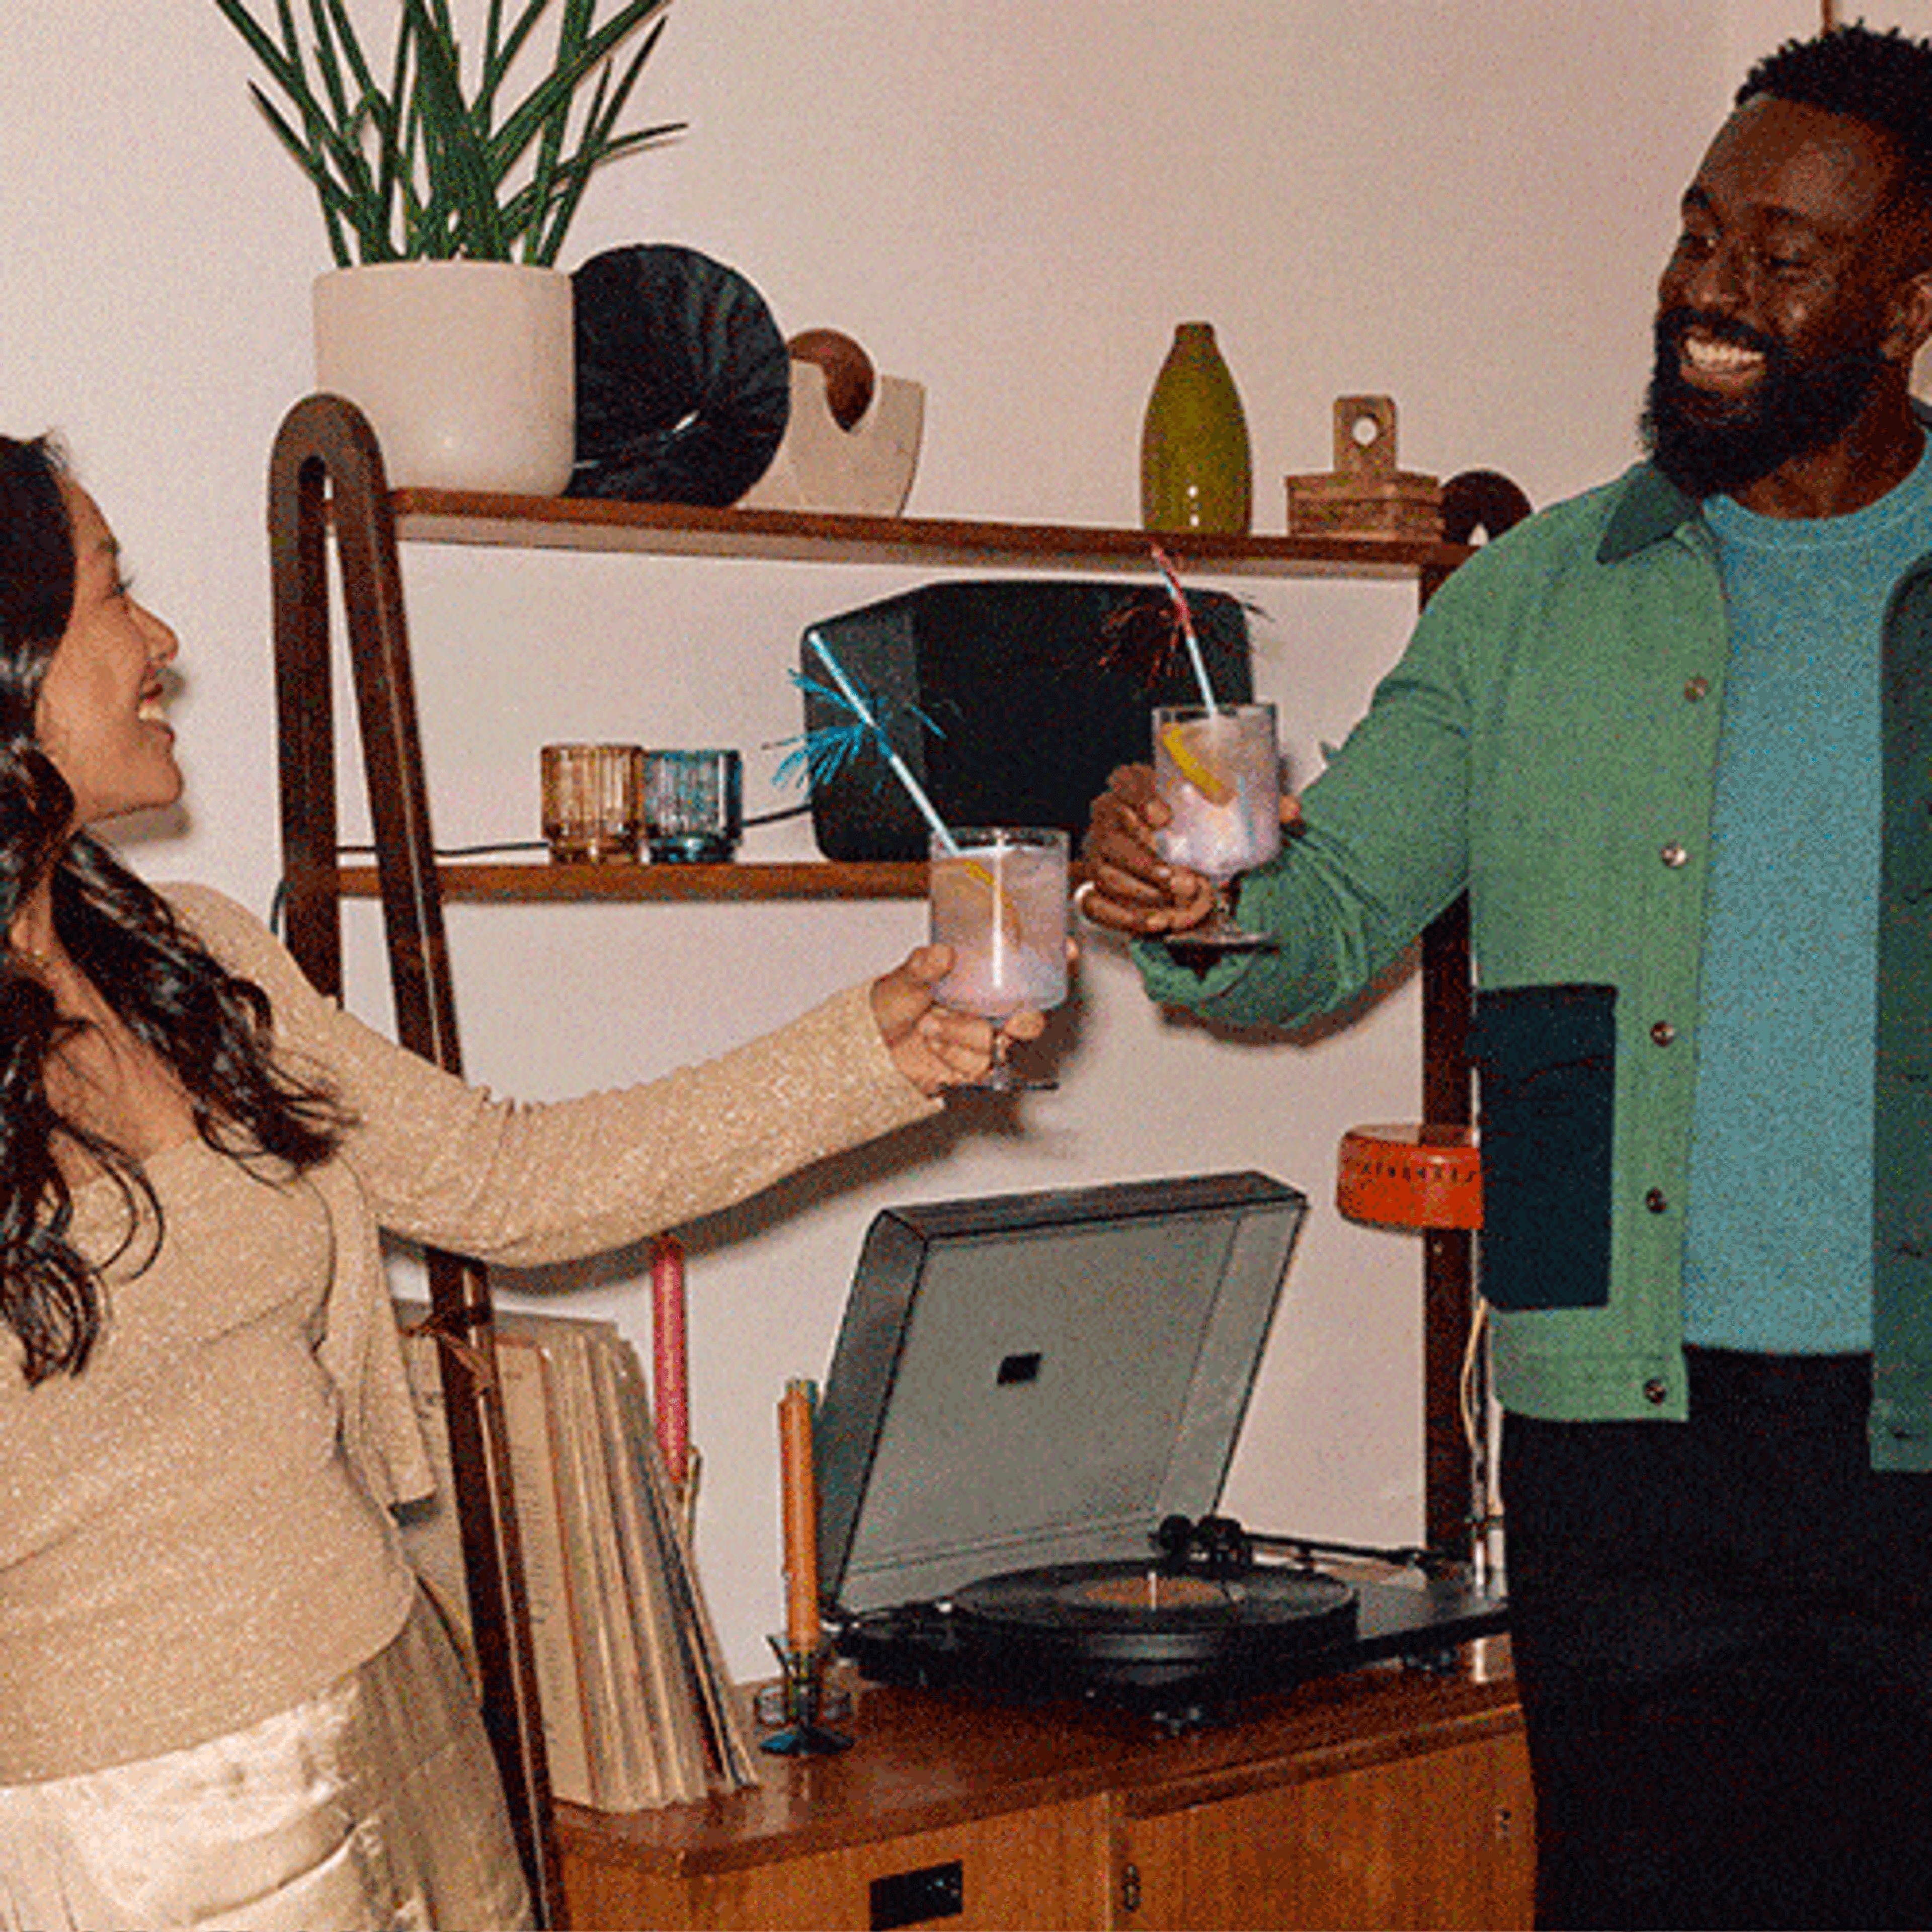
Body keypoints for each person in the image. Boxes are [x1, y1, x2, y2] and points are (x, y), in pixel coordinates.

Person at [1082, 22, 1932, 1931]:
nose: (1711, 290)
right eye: (1698, 232)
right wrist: (1189, 902)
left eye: (1783, 256)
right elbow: (1324, 908)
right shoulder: (1530, 600)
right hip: (1621, 1453)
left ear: (1911, 303)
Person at [0, 431, 1047, 1931]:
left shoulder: (193, 955)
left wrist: (861, 1052)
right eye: (112, 594)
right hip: (139, 1823)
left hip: (398, 1702)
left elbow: (507, 1179)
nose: (160, 638)